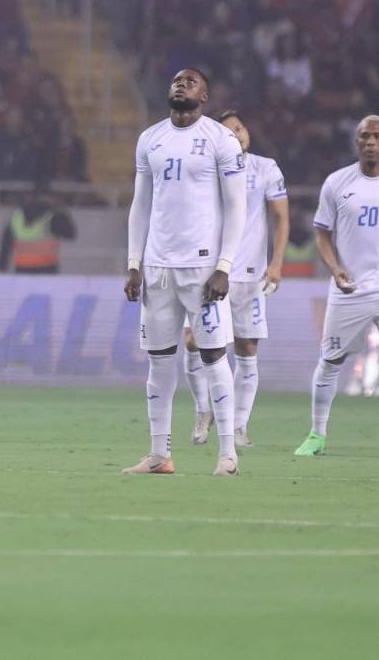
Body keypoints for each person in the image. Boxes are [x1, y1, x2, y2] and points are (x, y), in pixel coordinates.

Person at [122, 69, 248, 477]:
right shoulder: (150, 139)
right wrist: (133, 262)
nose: (181, 84)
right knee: (159, 361)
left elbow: (237, 207)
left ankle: (227, 453)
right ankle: (160, 454)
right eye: (176, 79)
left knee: (213, 357)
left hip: (203, 268)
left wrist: (225, 266)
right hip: (157, 269)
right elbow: (140, 204)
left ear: (205, 95)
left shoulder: (220, 140)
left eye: (191, 81)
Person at [293, 115, 379, 460]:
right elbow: (322, 232)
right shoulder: (336, 184)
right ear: (357, 143)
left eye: (376, 136)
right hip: (349, 287)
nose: (370, 142)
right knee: (330, 361)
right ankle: (316, 435)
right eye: (364, 136)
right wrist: (336, 268)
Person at [182, 110, 289, 448]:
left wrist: (276, 262)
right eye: (228, 132)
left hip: (249, 276)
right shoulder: (205, 170)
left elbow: (281, 218)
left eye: (240, 128)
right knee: (194, 343)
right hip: (211, 273)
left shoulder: (266, 168)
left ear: (248, 131)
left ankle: (239, 425)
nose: (237, 135)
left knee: (247, 348)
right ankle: (203, 410)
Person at [0, 181, 77, 274]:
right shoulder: (53, 216)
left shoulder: (16, 217)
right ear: (49, 196)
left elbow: (5, 245)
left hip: (22, 273)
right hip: (47, 272)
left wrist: (2, 267)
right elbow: (71, 234)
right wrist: (60, 209)